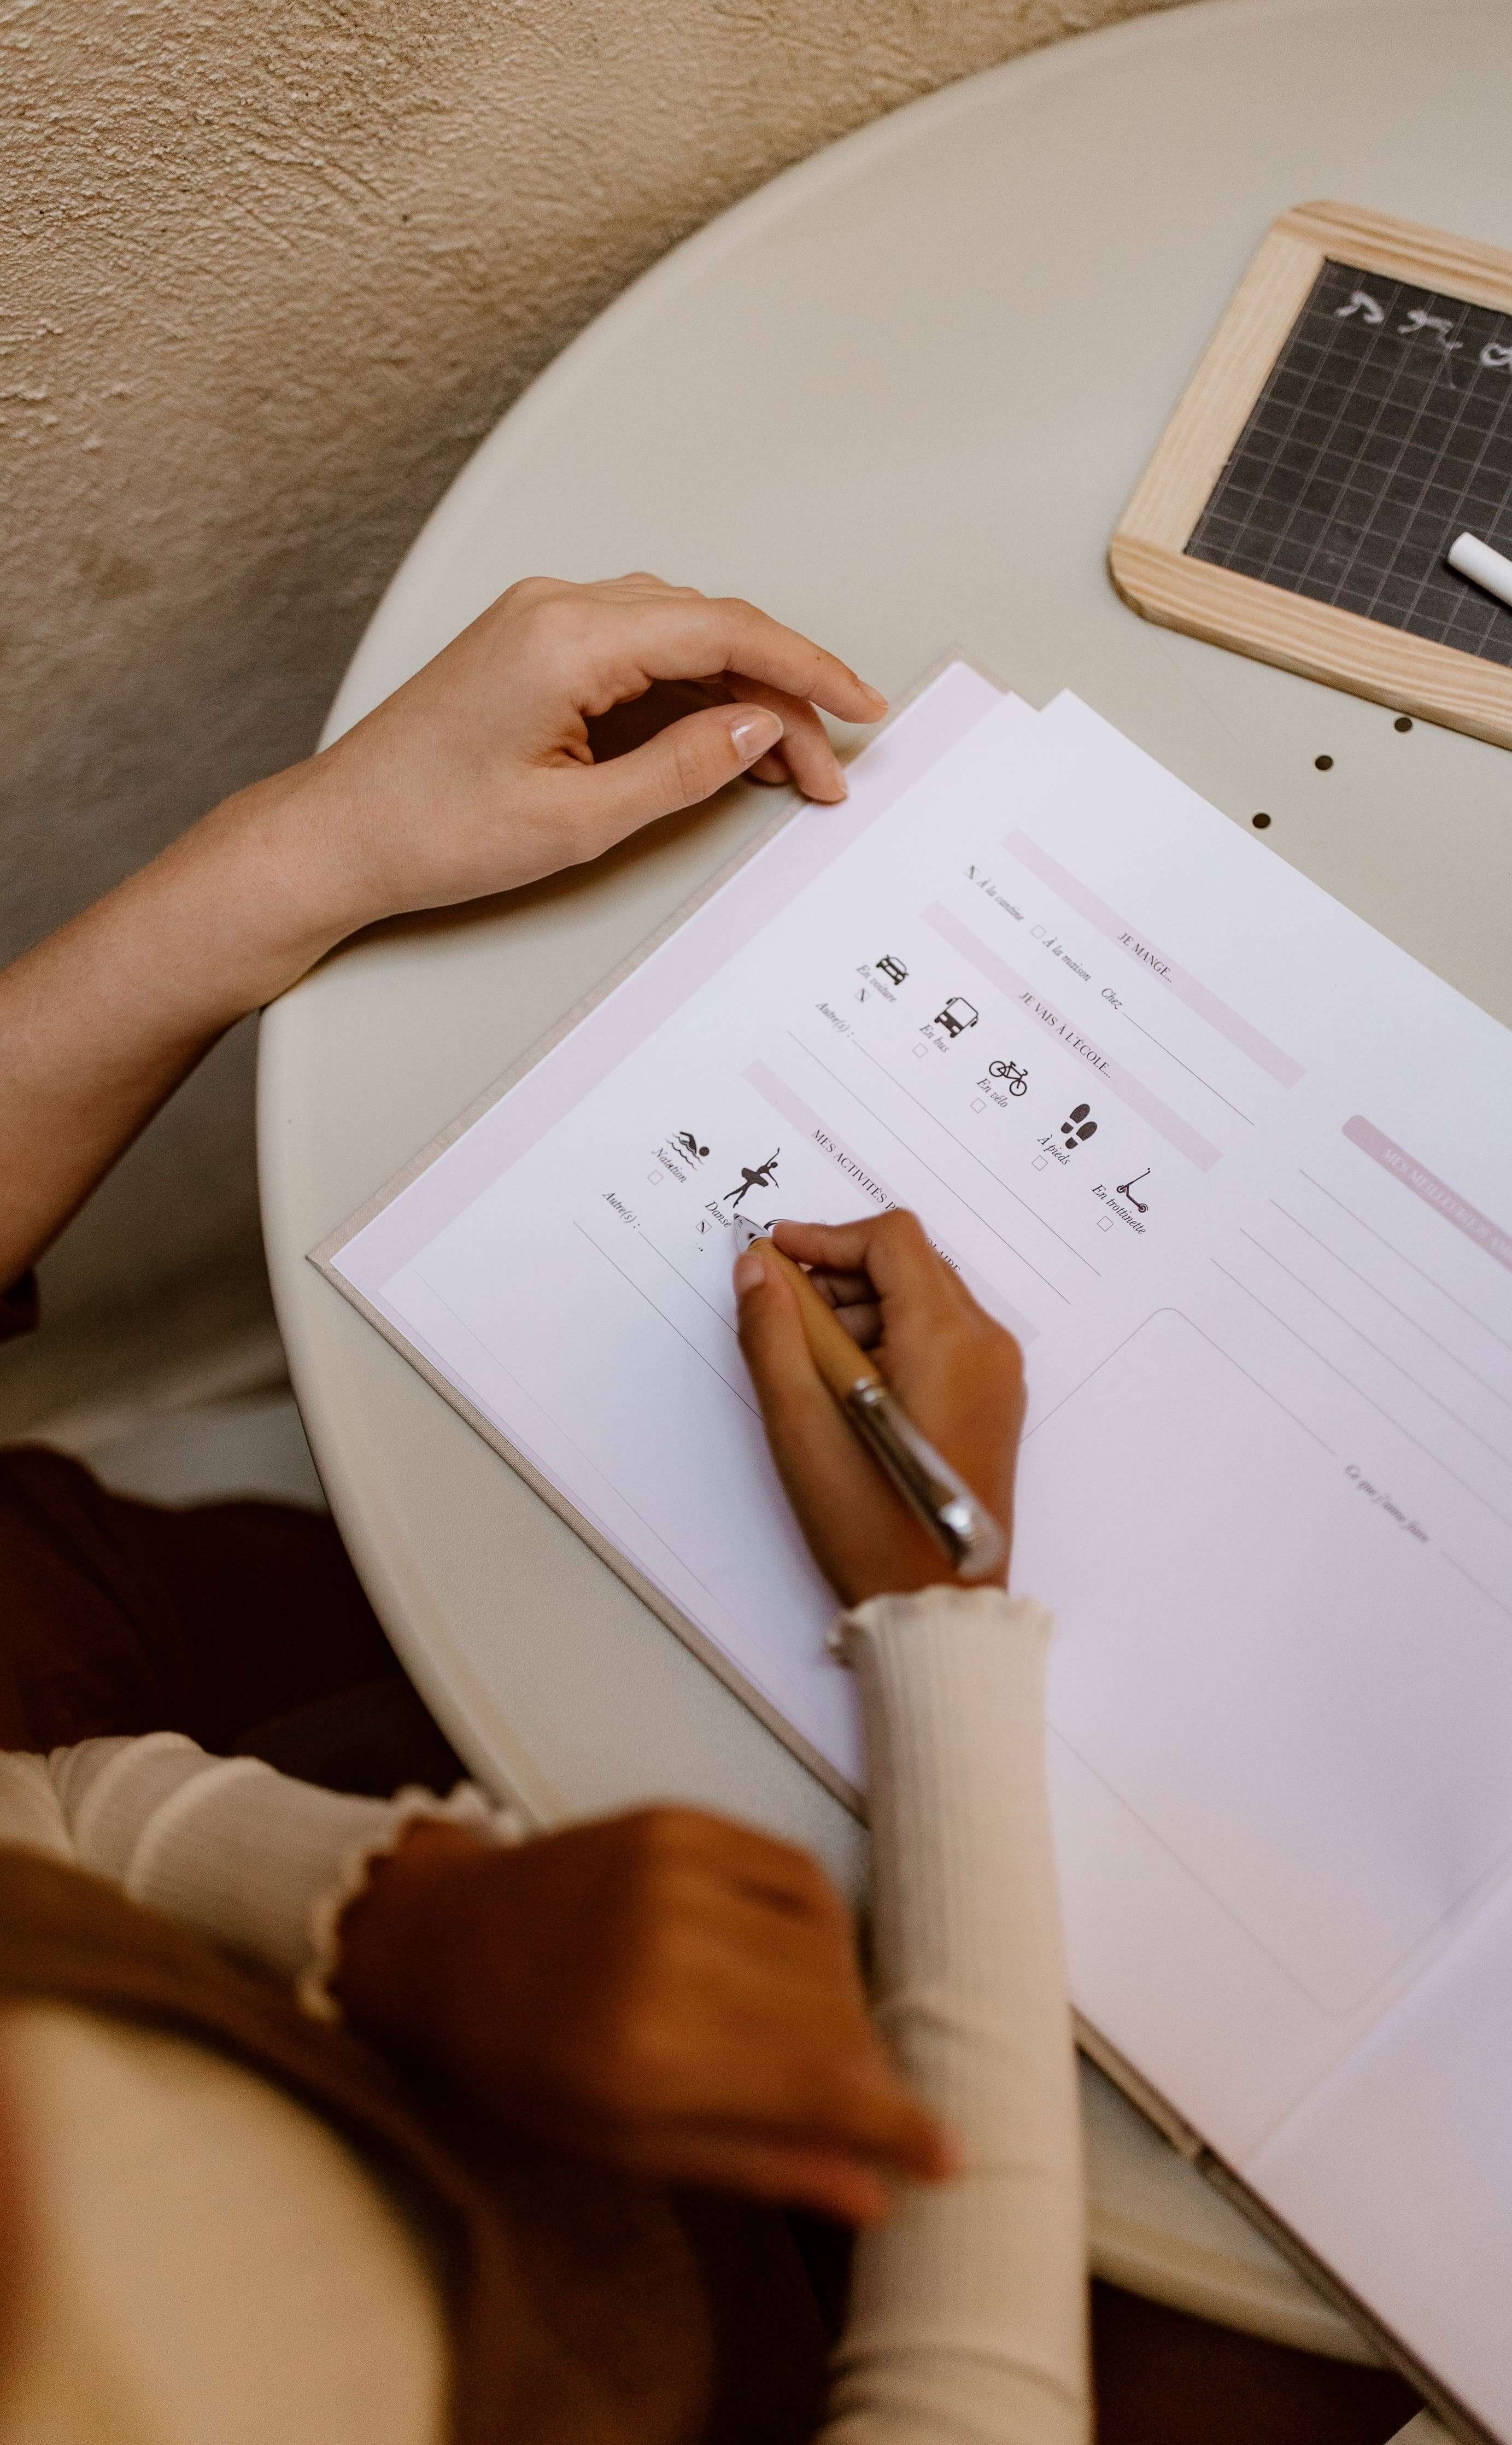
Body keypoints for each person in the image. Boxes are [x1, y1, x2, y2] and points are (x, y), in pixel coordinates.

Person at [0, 574, 1422, 2442]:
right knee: (1341, 2272)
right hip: (707, 2325)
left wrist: (310, 846)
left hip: (86, 1675)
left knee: (372, 1590)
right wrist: (941, 1631)